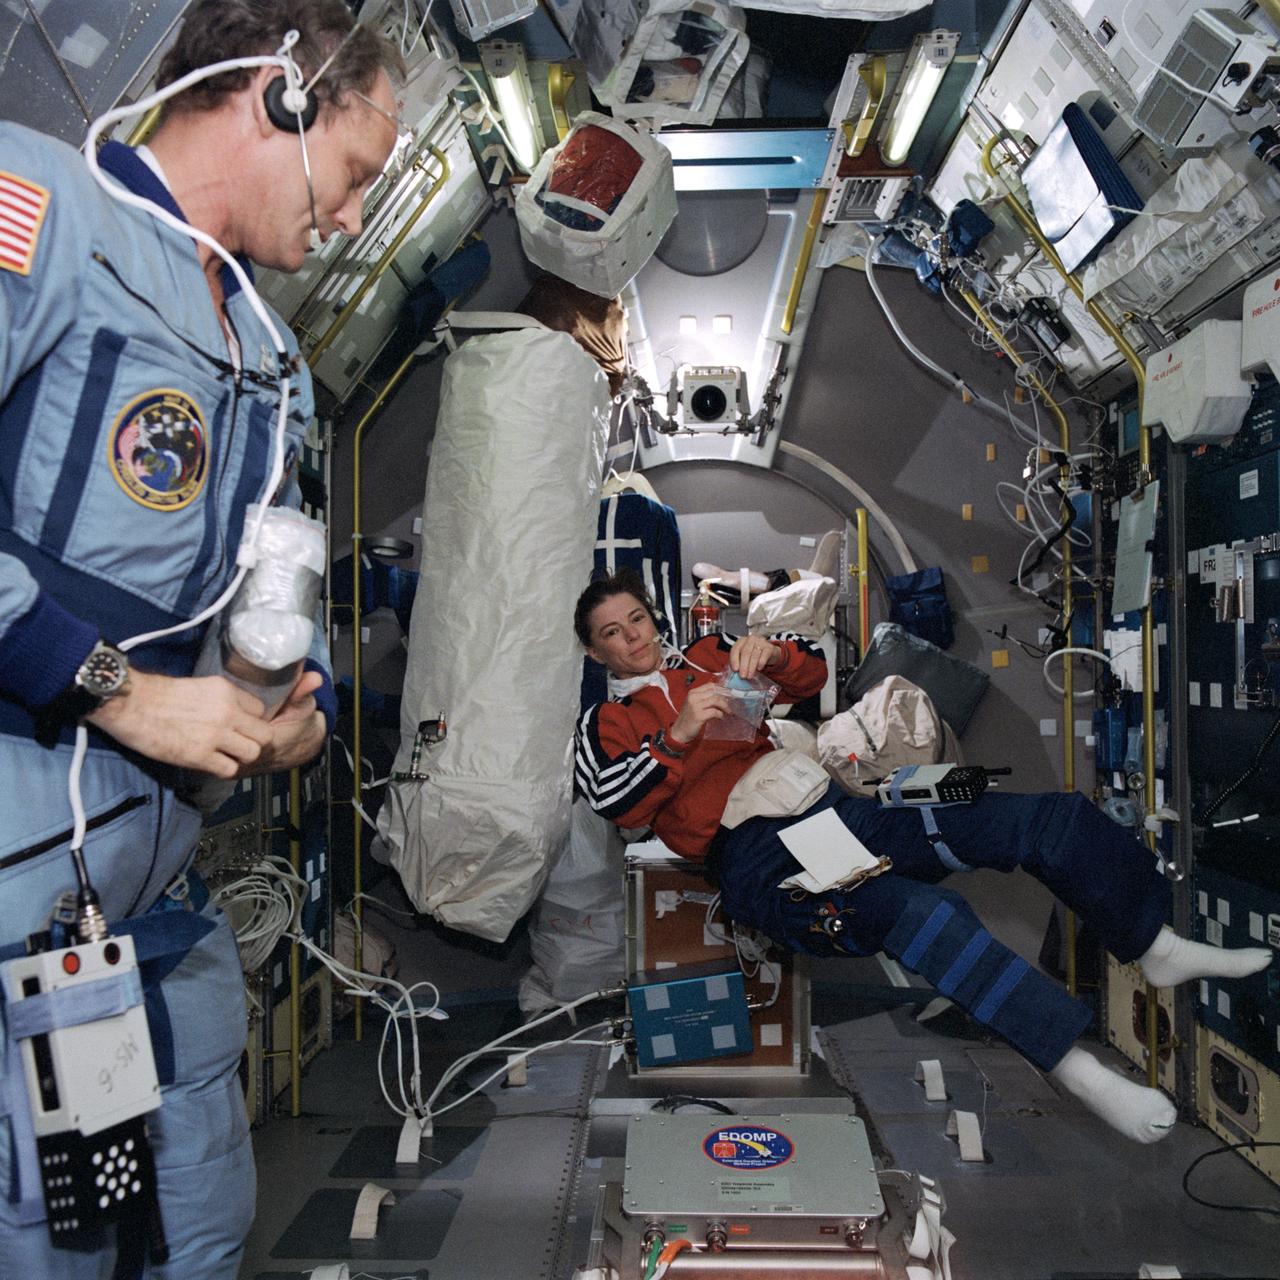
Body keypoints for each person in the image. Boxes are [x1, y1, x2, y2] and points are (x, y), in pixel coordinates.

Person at [0, 3, 401, 1276]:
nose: (352, 220)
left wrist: (293, 710)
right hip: (21, 883)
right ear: (279, 92)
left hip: (149, 902)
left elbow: (267, 590)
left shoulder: (271, 362)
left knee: (198, 1228)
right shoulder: (44, 213)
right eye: (354, 175)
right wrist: (115, 689)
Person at [573, 570, 1273, 1144]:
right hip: (754, 855)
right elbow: (616, 802)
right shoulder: (605, 721)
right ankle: (1078, 1069)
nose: (633, 636)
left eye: (636, 618)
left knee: (1043, 818)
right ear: (595, 653)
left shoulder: (709, 654)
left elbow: (813, 673)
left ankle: (1152, 942)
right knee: (921, 911)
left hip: (831, 806)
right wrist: (679, 733)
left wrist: (772, 654)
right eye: (612, 633)